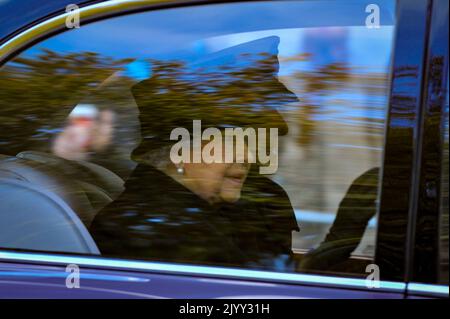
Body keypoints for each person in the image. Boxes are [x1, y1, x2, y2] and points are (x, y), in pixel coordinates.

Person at [90, 36, 300, 270]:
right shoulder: (141, 231)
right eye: (232, 141)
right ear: (180, 150)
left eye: (249, 142)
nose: (249, 157)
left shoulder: (257, 208)